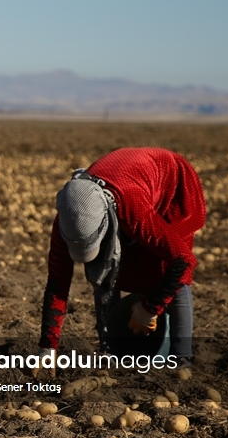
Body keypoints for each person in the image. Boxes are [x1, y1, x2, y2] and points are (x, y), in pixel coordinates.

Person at [35, 147, 206, 374]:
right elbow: (58, 283)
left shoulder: (133, 209)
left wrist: (149, 308)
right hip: (128, 190)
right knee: (103, 269)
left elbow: (183, 262)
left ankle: (182, 358)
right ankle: (110, 350)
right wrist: (48, 347)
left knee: (164, 267)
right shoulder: (67, 219)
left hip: (170, 187)